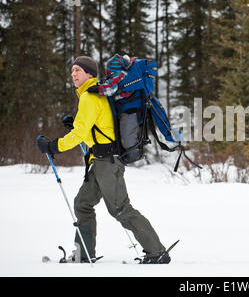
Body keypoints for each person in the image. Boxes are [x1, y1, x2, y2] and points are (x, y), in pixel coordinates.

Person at [37, 56, 170, 264]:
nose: (73, 74)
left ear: (90, 74)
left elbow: (81, 134)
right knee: (83, 204)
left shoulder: (90, 97)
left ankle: (157, 252)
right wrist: (74, 126)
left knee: (120, 209)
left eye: (78, 70)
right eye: (72, 70)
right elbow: (97, 127)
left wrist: (54, 146)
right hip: (99, 161)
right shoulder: (93, 95)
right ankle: (84, 253)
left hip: (107, 162)